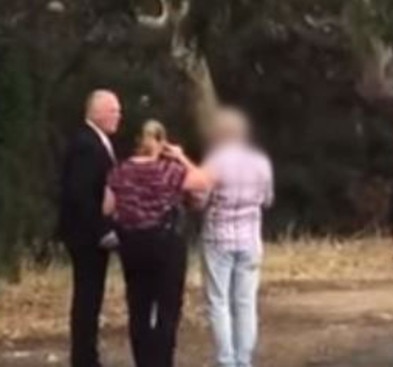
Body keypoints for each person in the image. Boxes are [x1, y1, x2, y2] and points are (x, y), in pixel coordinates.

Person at [105, 120, 212, 367]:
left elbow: (107, 207)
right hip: (166, 244)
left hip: (132, 244)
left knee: (138, 306)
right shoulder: (169, 171)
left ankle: (143, 361)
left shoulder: (120, 171)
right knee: (167, 308)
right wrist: (181, 156)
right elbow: (203, 182)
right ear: (161, 142)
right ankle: (163, 361)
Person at [201, 107, 274, 367]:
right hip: (250, 238)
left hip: (219, 238)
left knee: (218, 301)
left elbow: (200, 199)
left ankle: (226, 360)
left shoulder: (214, 162)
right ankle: (244, 360)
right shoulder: (260, 162)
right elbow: (267, 200)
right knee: (245, 302)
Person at [58, 89, 121, 367]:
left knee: (91, 297)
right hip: (86, 237)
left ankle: (87, 355)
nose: (118, 116)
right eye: (112, 110)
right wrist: (101, 230)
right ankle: (84, 358)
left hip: (88, 234)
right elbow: (81, 193)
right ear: (95, 111)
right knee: (87, 297)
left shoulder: (96, 141)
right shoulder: (87, 144)